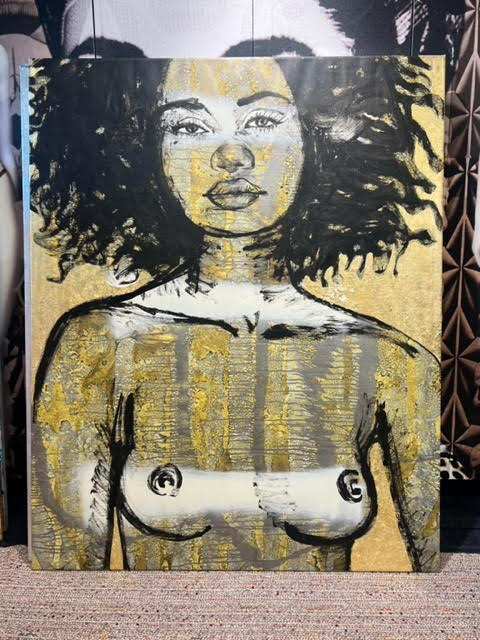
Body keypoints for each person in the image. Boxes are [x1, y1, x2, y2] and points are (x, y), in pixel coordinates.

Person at [30, 56, 441, 571]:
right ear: (144, 151)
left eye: (262, 121)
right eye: (188, 127)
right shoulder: (99, 345)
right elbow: (66, 576)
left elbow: (432, 569)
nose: (230, 155)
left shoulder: (394, 362)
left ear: (320, 138)